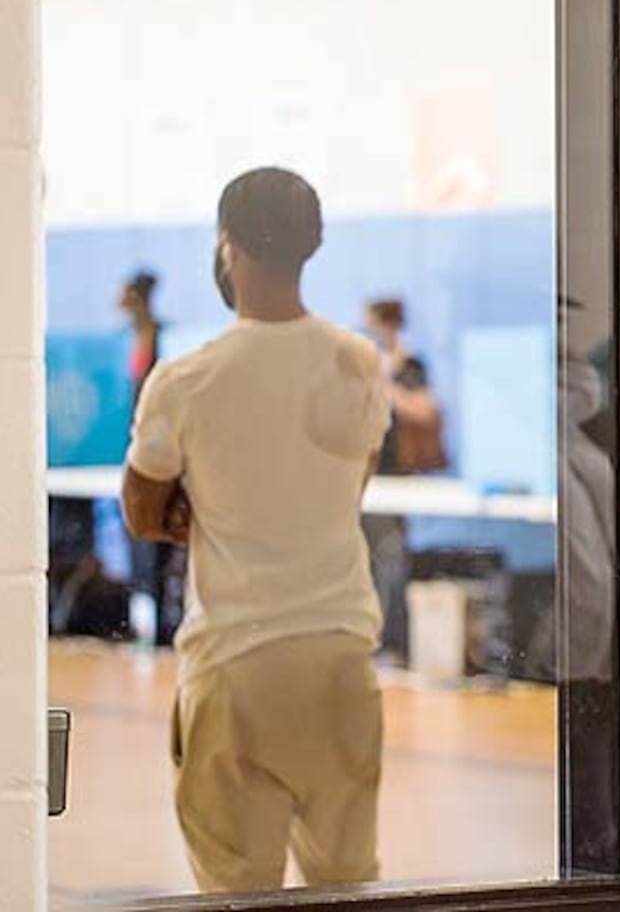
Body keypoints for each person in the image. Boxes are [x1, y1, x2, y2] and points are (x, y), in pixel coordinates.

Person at [122, 168, 391, 893]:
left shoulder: (184, 381)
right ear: (314, 244)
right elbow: (348, 492)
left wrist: (196, 508)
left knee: (237, 894)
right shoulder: (359, 364)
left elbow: (142, 514)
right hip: (339, 661)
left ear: (227, 245)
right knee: (349, 889)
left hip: (235, 669)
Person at [361, 298, 445, 661]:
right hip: (367, 476)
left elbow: (425, 410)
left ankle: (388, 640)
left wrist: (386, 384)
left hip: (399, 476)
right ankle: (370, 636)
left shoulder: (410, 366)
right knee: (366, 557)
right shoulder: (365, 366)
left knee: (390, 557)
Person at [120, 269, 185, 646]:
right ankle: (147, 618)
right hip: (137, 449)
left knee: (157, 542)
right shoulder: (130, 340)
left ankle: (163, 622)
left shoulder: (164, 339)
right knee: (140, 545)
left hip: (160, 449)